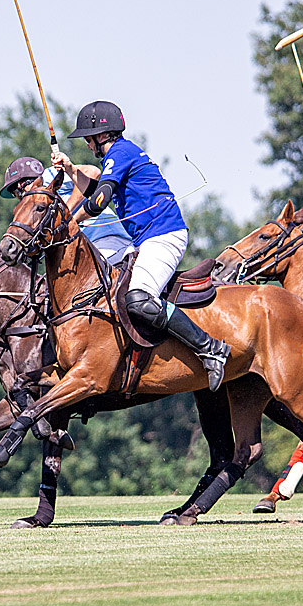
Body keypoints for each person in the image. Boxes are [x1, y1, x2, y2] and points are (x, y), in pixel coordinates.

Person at [49, 100, 230, 391]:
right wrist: (70, 169)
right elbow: (95, 188)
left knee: (138, 298)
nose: (86, 144)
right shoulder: (119, 155)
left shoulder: (120, 153)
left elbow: (97, 201)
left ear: (100, 135)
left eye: (87, 138)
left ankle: (210, 348)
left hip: (164, 236)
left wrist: (69, 221)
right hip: (146, 240)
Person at [0, 156, 135, 266]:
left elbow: (92, 172)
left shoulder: (49, 176)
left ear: (22, 185)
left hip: (106, 239)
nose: (18, 196)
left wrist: (67, 214)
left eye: (15, 191)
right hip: (80, 250)